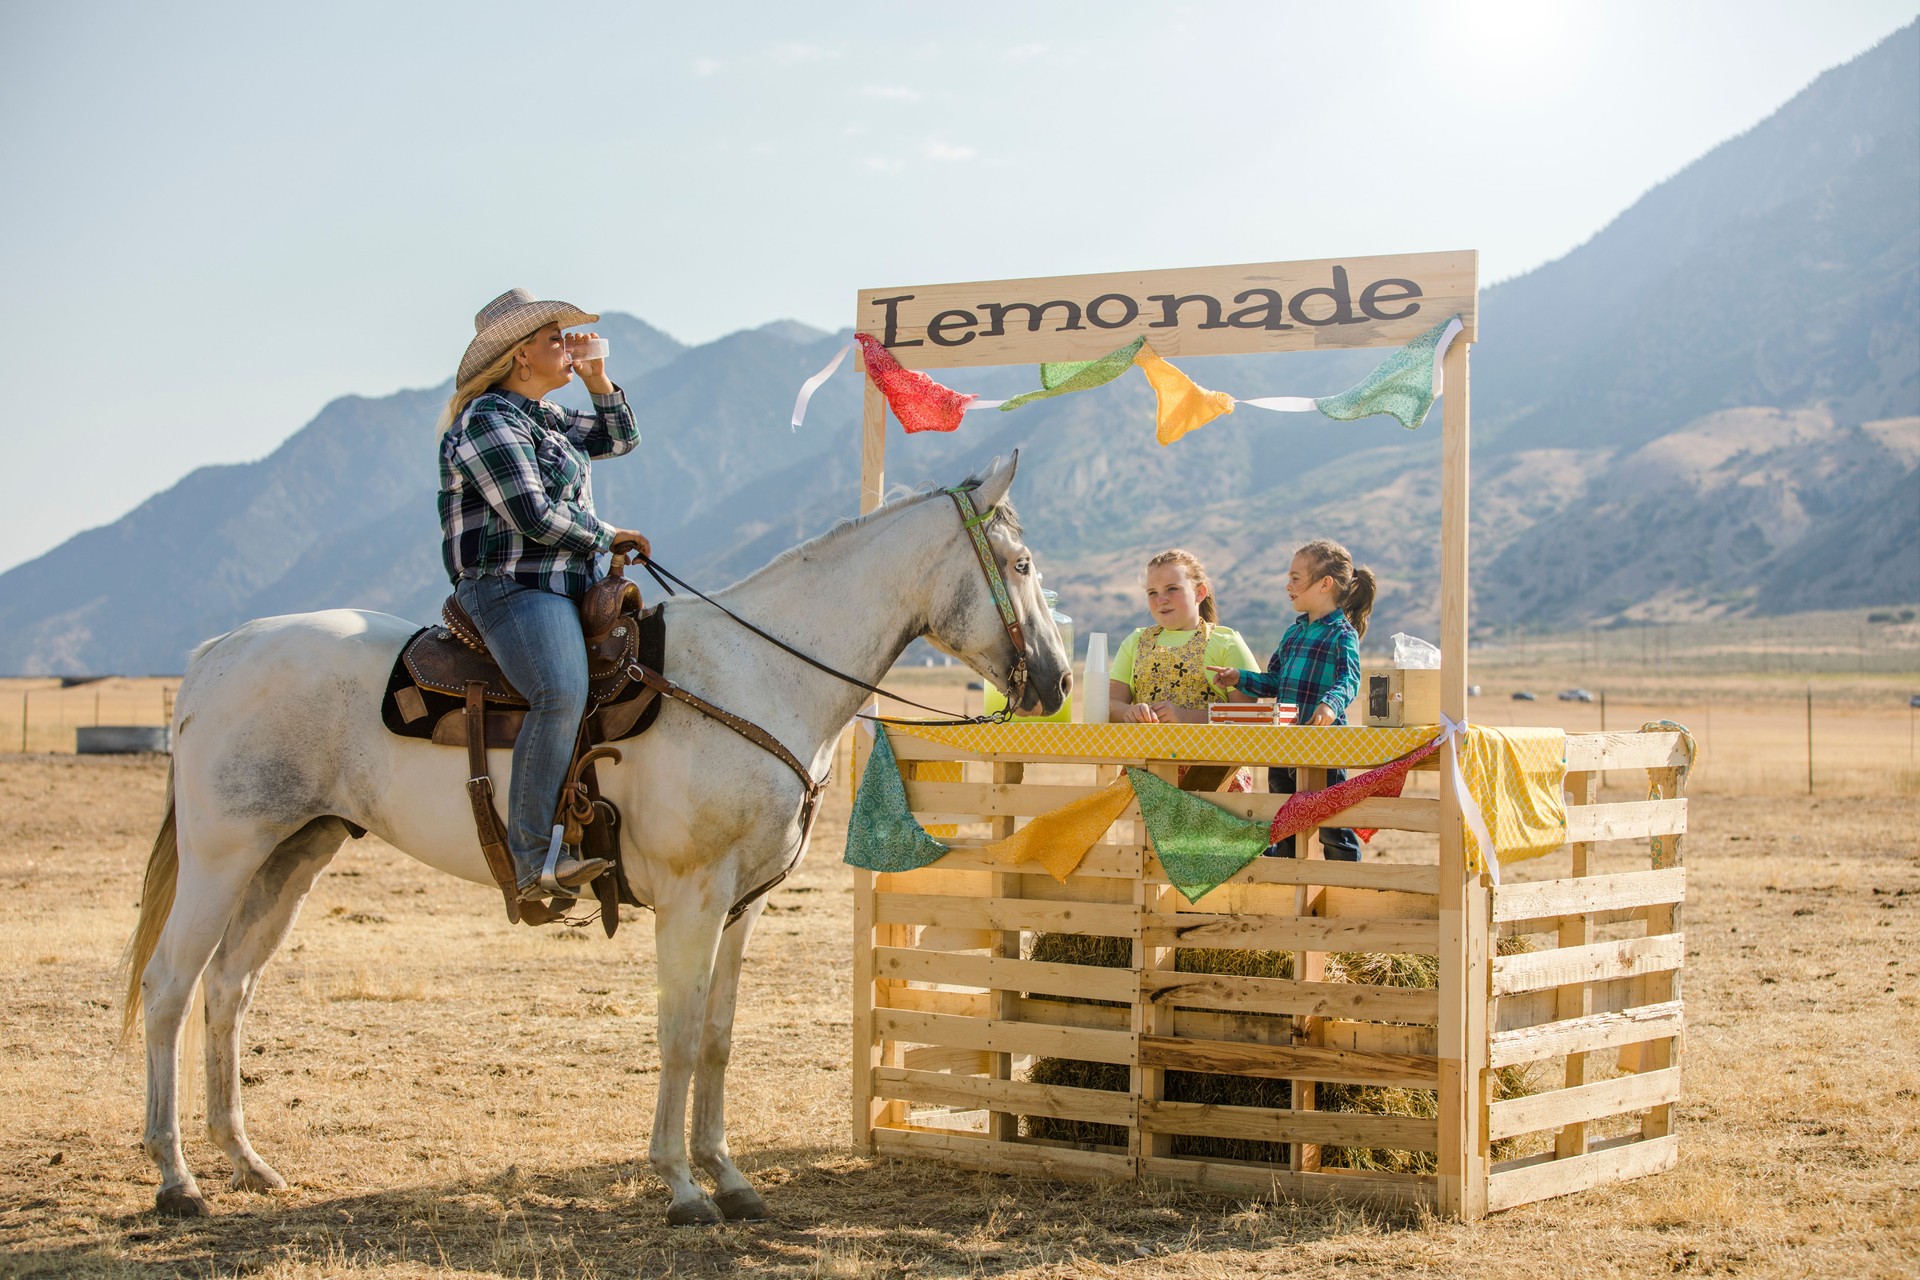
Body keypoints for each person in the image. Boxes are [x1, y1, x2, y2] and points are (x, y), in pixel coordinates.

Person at [437, 289, 649, 901]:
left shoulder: (543, 417)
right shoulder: (486, 421)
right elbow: (531, 514)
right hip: (512, 586)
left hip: (566, 585)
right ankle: (532, 860)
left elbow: (620, 438)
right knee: (560, 690)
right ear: (520, 355)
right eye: (555, 339)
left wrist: (598, 377)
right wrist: (608, 535)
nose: (568, 346)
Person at [1209, 538, 1375, 858]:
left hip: (1324, 749)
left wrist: (1330, 705)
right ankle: (1286, 882)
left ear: (1325, 584)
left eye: (1296, 578)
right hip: (1284, 747)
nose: (1288, 585)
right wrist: (1240, 677)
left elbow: (1350, 679)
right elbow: (1274, 681)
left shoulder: (1342, 634)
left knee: (1333, 828)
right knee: (1284, 823)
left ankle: (1345, 881)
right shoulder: (1293, 633)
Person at [1107, 549, 1261, 791]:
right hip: (1147, 781)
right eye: (1152, 592)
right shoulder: (1135, 642)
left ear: (1200, 592)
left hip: (1215, 781)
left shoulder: (1226, 643)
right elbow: (1110, 704)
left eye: (1172, 589)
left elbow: (1249, 717)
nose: (1161, 599)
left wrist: (1186, 717)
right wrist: (1130, 712)